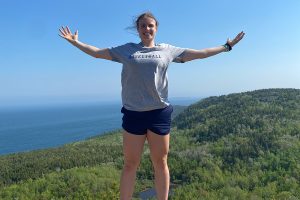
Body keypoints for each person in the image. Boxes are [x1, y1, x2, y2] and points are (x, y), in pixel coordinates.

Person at [59, 12, 245, 200]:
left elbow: (200, 53)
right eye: (143, 26)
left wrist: (226, 47)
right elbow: (98, 53)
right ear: (138, 29)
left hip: (159, 113)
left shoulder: (167, 50)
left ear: (156, 28)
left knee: (161, 162)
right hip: (133, 114)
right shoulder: (127, 49)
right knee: (130, 164)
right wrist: (76, 42)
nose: (147, 29)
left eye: (150, 26)